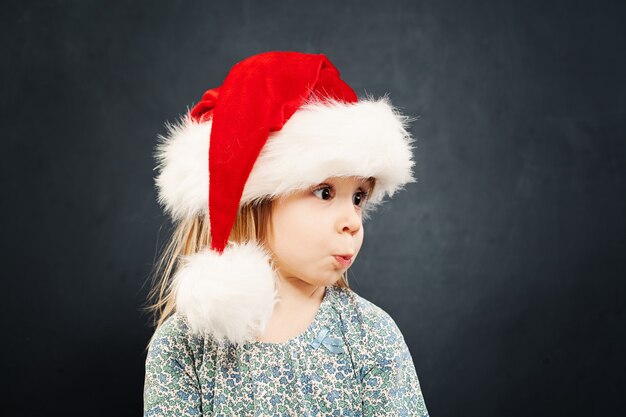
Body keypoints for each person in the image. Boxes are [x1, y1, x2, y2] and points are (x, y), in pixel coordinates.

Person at [143, 51, 429, 416]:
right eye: (324, 193)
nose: (353, 222)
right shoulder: (183, 347)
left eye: (358, 197)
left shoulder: (371, 337)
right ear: (254, 201)